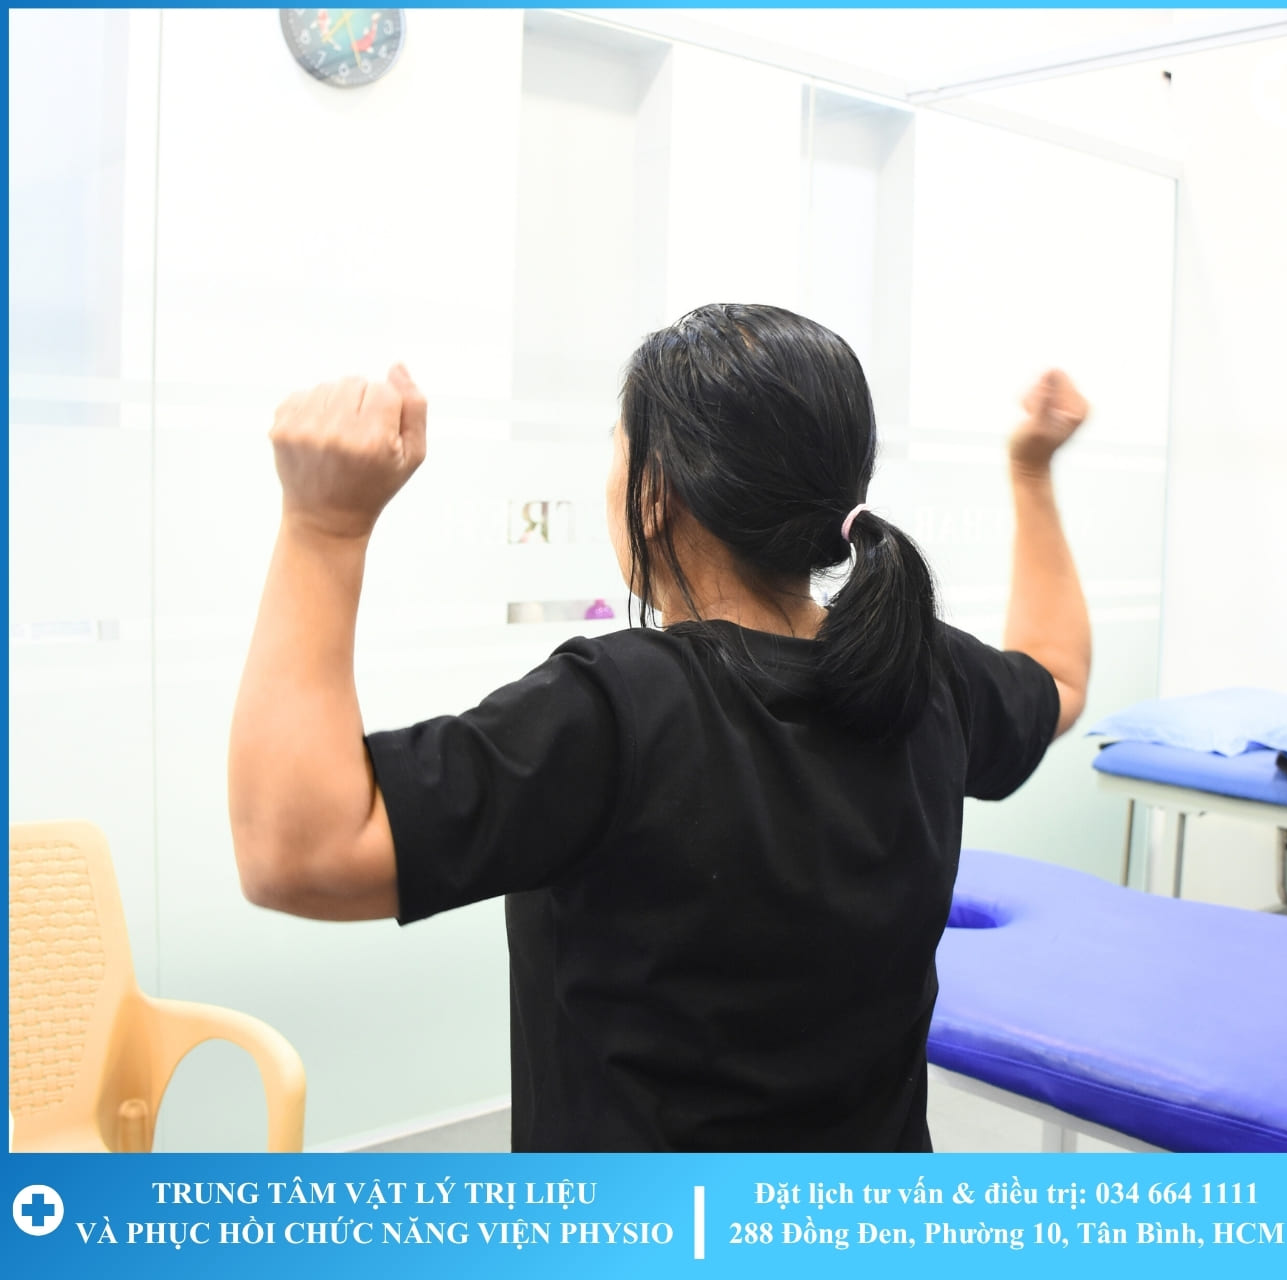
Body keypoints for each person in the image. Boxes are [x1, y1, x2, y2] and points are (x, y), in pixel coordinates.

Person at [228, 303, 1090, 1152]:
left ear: (652, 495)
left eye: (617, 450)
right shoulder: (920, 671)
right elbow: (1059, 675)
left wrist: (323, 526)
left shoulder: (619, 709)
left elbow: (299, 852)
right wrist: (1032, 474)